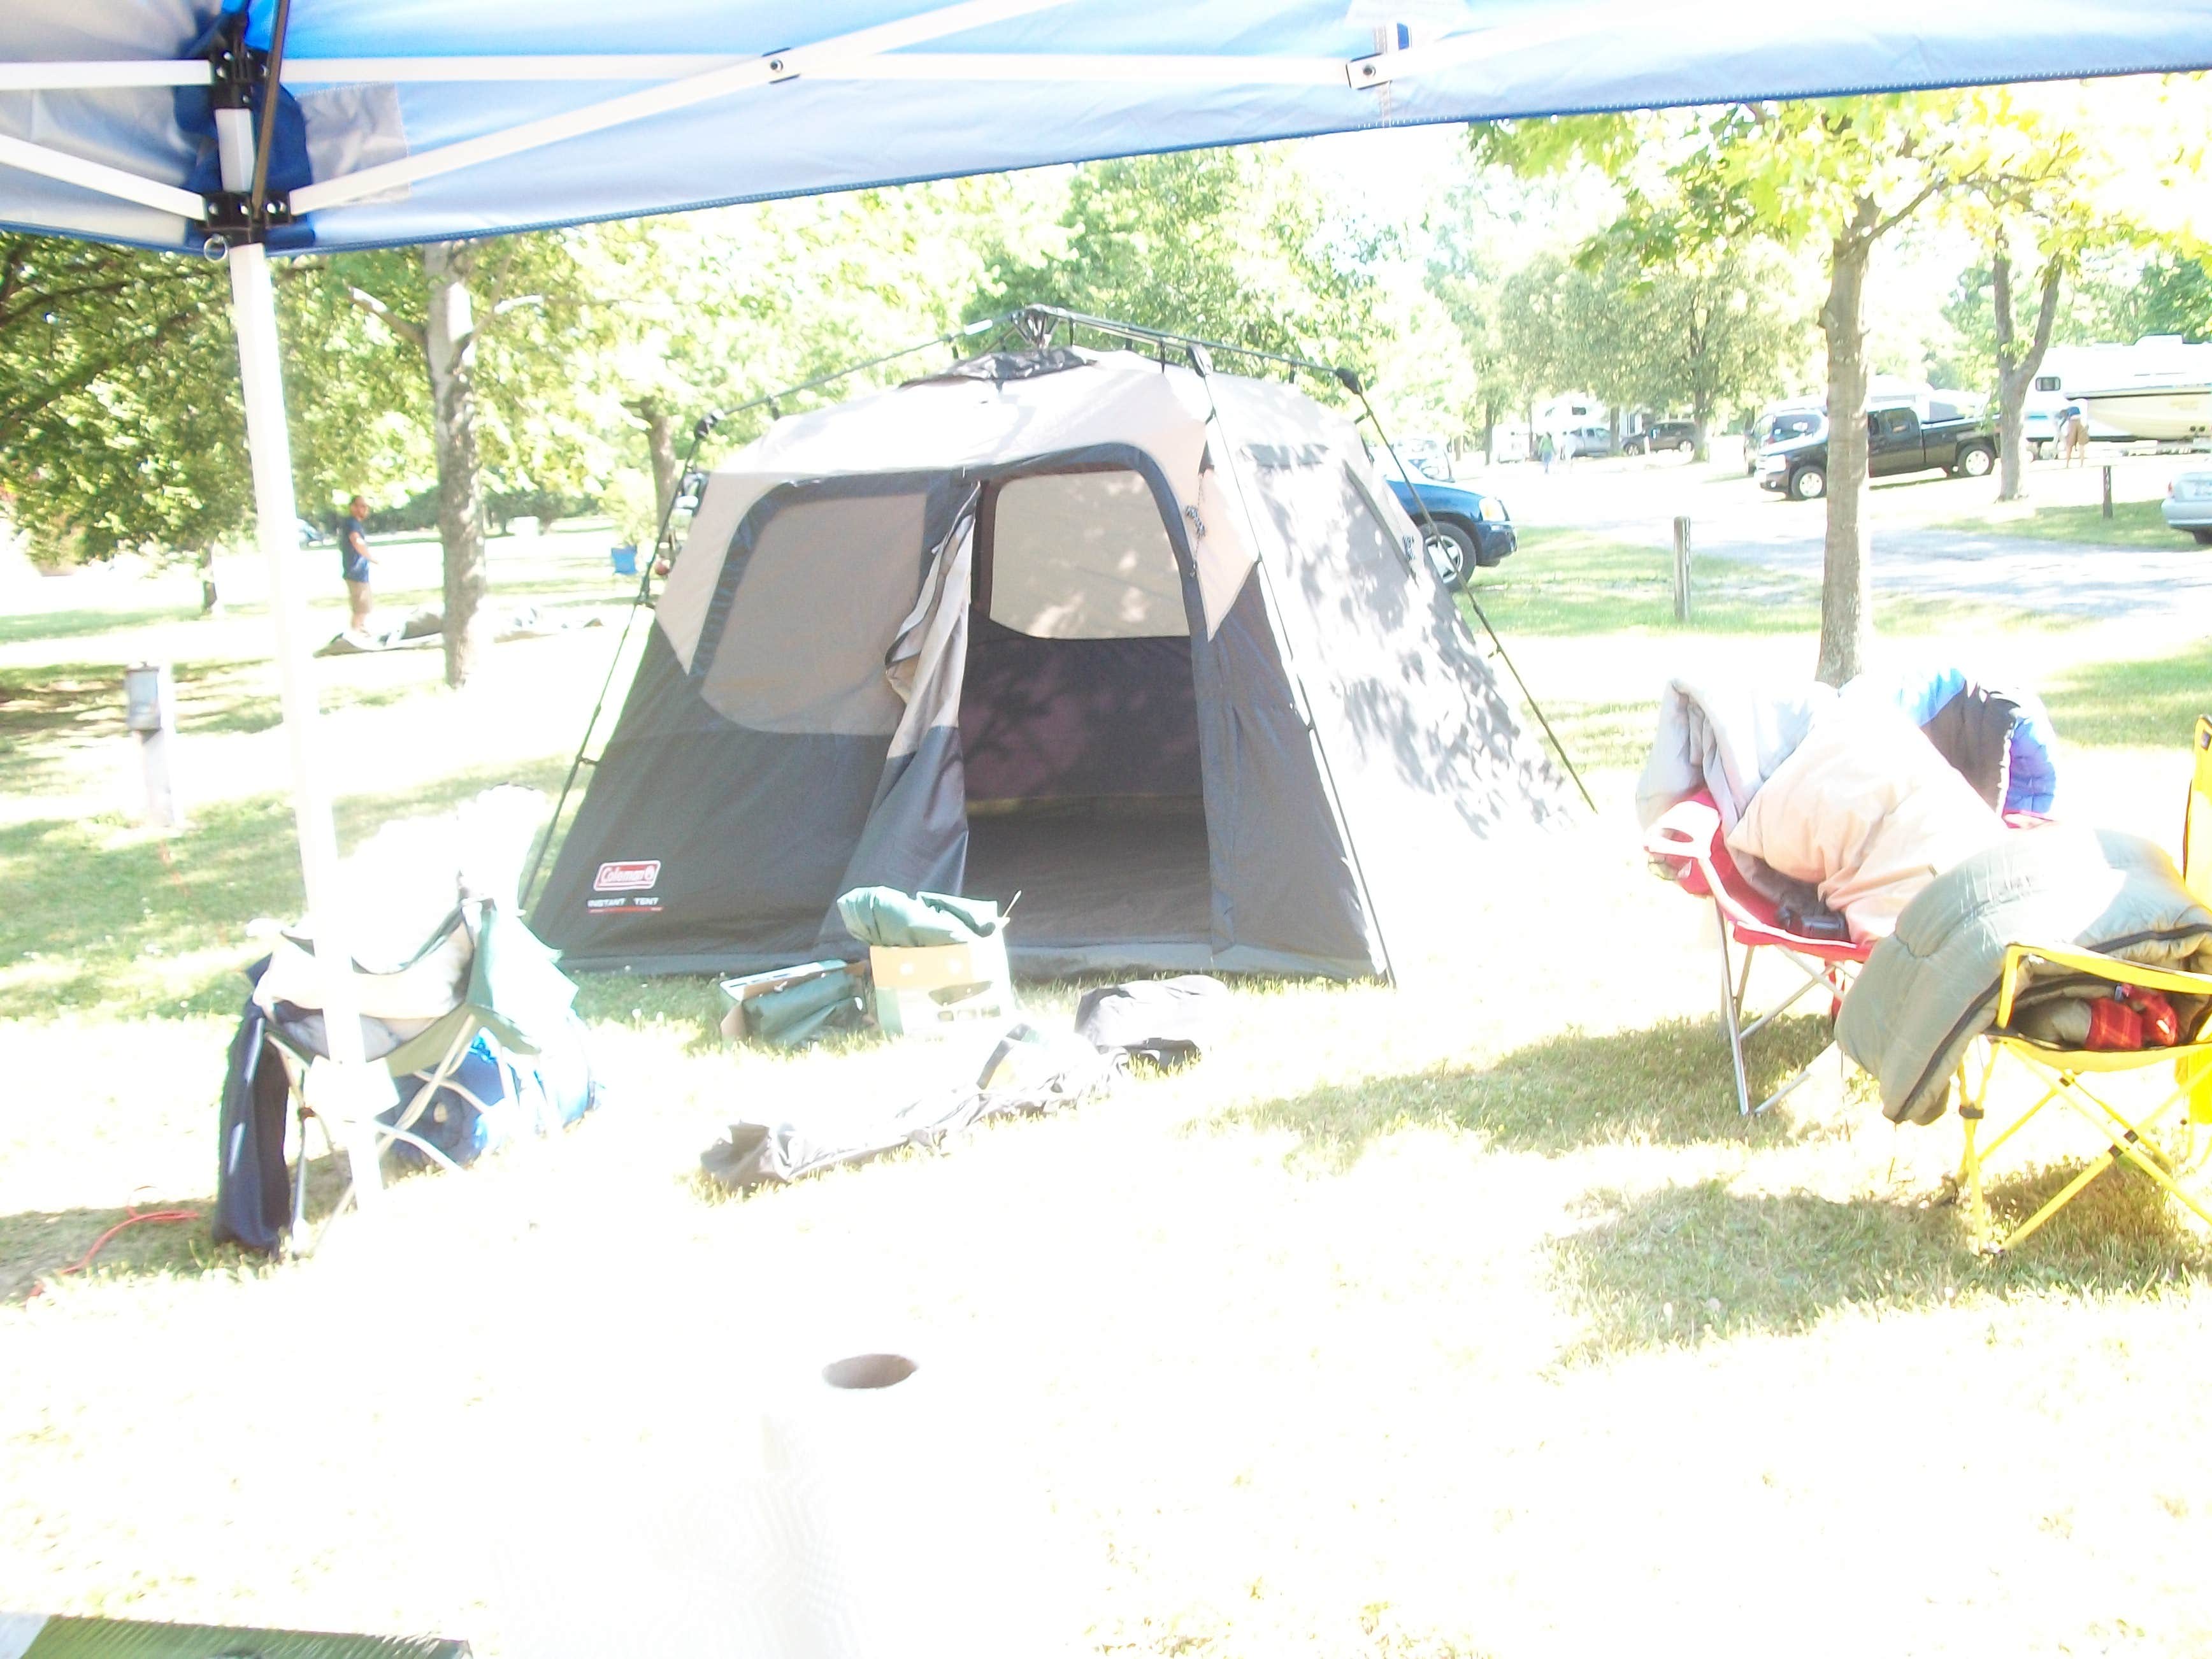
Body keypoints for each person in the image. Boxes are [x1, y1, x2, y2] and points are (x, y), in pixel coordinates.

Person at [340, 494, 375, 631]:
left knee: (364, 608)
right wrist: (371, 557)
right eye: (362, 506)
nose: (365, 509)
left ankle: (361, 630)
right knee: (361, 609)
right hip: (355, 572)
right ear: (353, 507)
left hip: (360, 572)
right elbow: (356, 541)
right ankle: (355, 633)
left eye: (366, 507)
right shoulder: (352, 524)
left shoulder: (354, 524)